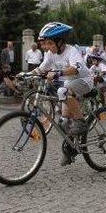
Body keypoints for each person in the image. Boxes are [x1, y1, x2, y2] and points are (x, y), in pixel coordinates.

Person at [31, 22, 93, 166]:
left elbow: (75, 69)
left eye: (49, 43)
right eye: (45, 43)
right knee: (63, 122)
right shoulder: (50, 54)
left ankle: (81, 122)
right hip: (69, 84)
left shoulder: (72, 51)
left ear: (60, 42)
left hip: (84, 81)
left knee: (62, 91)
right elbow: (42, 68)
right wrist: (27, 74)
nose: (46, 47)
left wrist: (58, 72)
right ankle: (70, 149)